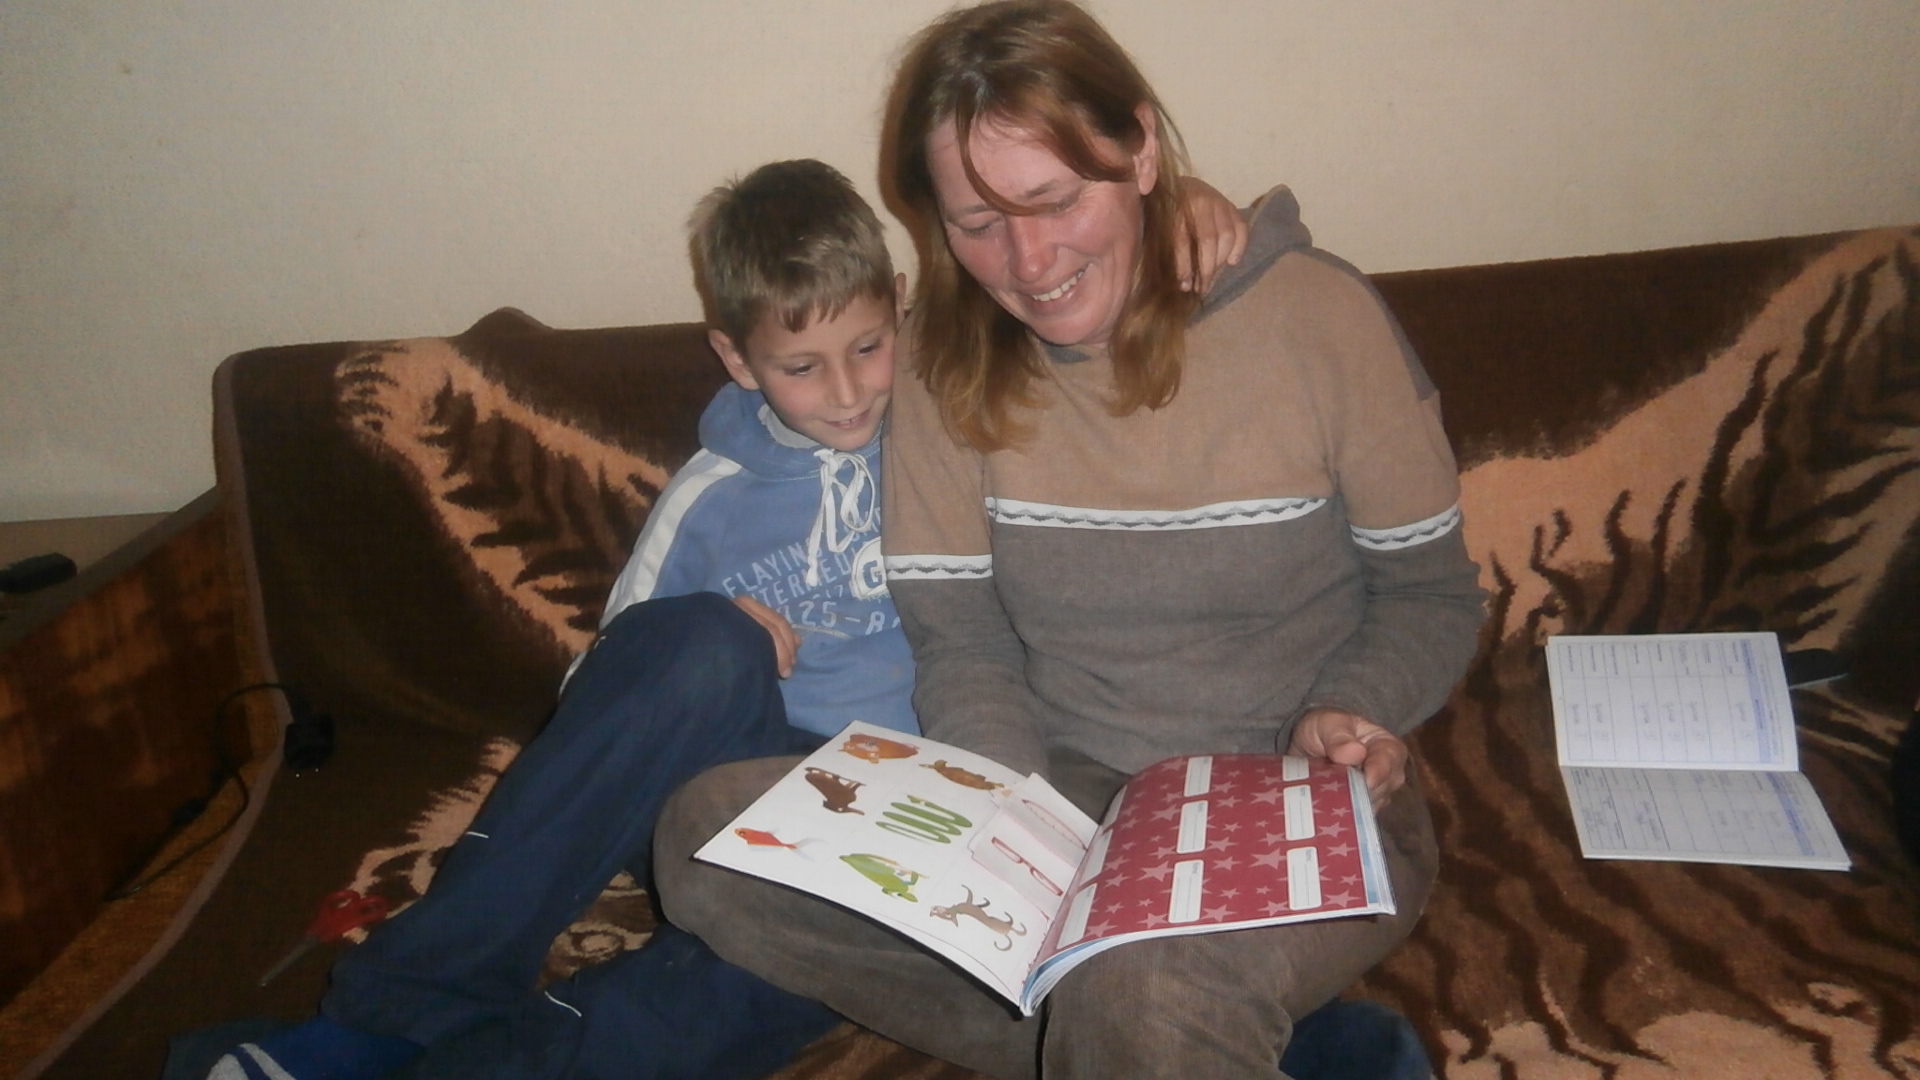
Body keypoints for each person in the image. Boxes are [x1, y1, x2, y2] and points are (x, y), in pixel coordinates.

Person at [181, 157, 1250, 1080]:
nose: (848, 393)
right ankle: (385, 1016)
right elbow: (609, 700)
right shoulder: (713, 492)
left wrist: (1178, 214)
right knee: (701, 639)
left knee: (775, 972)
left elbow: (1077, 311)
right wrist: (714, 620)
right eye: (801, 367)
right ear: (738, 360)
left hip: (903, 820)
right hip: (741, 784)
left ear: (904, 313)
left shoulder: (958, 410)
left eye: (869, 348)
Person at [651, 3, 1487, 1079]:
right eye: (977, 223)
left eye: (1053, 201)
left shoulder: (1319, 321)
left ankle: (1155, 1018)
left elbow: (1431, 595)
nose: (1029, 259)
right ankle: (1190, 1037)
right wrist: (1004, 825)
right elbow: (962, 640)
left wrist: (1350, 712)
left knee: (1139, 982)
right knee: (707, 838)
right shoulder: (940, 367)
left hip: (1290, 793)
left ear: (1140, 151)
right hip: (1062, 795)